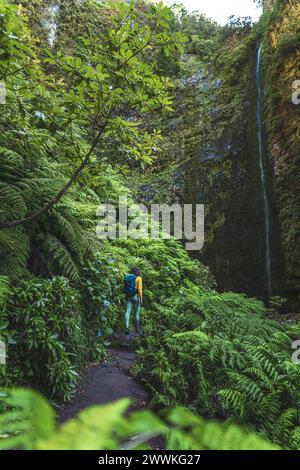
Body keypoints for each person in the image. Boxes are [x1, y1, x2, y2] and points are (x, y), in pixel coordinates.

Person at [124, 267, 143, 335]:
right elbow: (140, 289)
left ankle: (126, 327)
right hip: (135, 297)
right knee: (136, 313)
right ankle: (137, 330)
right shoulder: (138, 278)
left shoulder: (127, 277)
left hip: (128, 296)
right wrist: (141, 299)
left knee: (127, 311)